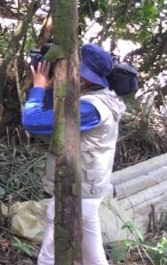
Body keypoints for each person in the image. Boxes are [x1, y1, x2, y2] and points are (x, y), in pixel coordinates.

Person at [22, 44, 126, 265]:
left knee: (57, 241)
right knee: (89, 249)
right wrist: (50, 88)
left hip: (82, 188)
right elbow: (56, 117)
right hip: (89, 185)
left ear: (83, 77)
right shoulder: (99, 96)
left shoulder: (91, 108)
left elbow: (33, 122)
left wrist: (38, 88)